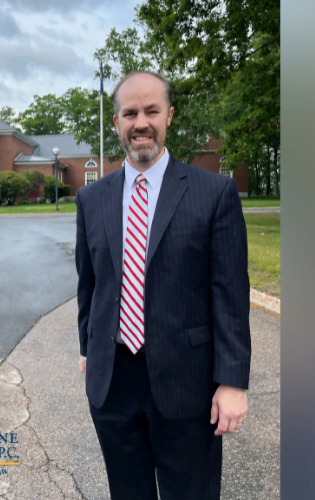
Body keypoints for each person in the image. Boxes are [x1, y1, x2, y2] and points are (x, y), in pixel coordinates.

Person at [72, 71, 250, 500]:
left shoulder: (214, 192)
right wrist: (86, 347)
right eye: (130, 113)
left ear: (169, 116)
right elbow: (90, 282)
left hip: (187, 382)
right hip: (113, 381)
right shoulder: (92, 199)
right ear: (116, 122)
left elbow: (229, 295)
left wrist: (233, 382)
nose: (141, 122)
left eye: (151, 110)